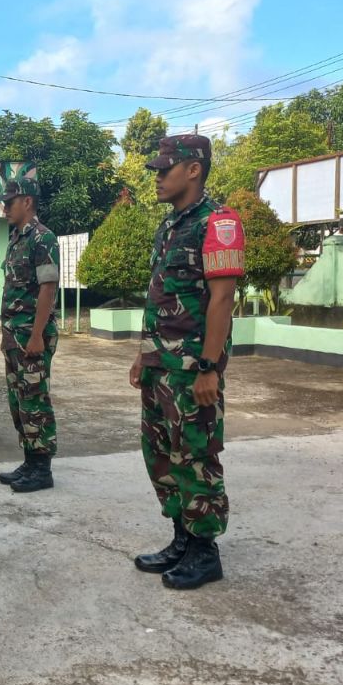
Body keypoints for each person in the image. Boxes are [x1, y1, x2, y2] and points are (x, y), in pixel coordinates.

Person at [129, 135, 244, 591]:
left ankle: (204, 551)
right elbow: (159, 298)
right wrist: (143, 354)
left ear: (193, 169)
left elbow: (223, 299)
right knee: (160, 454)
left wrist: (209, 367)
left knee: (195, 455)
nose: (157, 177)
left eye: (165, 169)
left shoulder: (219, 223)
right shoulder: (169, 226)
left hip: (193, 368)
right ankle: (182, 537)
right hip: (160, 365)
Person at [0, 179, 59, 492]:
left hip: (32, 336)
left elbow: (48, 288)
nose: (5, 208)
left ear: (27, 202)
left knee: (35, 400)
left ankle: (42, 469)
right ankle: (30, 461)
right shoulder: (17, 239)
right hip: (14, 335)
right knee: (18, 401)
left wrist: (37, 335)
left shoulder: (43, 238)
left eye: (10, 202)